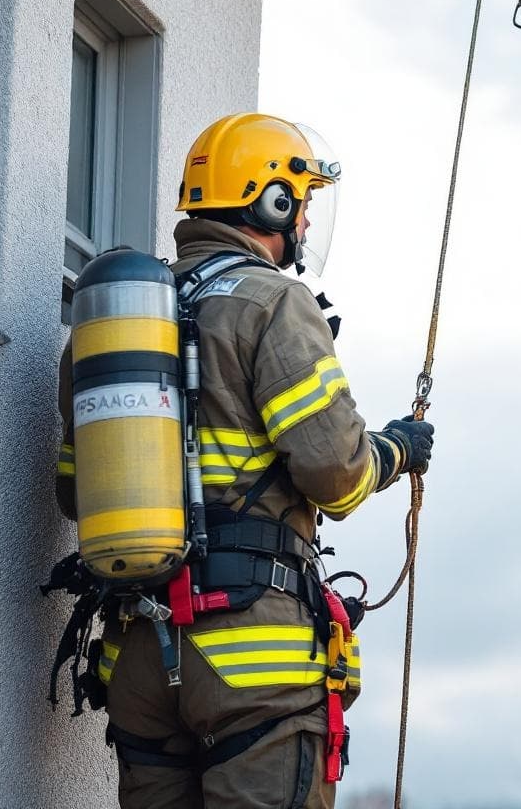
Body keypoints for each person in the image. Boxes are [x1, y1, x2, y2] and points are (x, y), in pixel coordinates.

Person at [53, 112, 434, 809]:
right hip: (249, 655)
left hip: (138, 655)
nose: (307, 225)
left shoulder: (121, 318)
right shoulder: (273, 302)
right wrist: (397, 451)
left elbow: (75, 491)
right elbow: (337, 474)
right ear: (271, 201)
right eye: (302, 203)